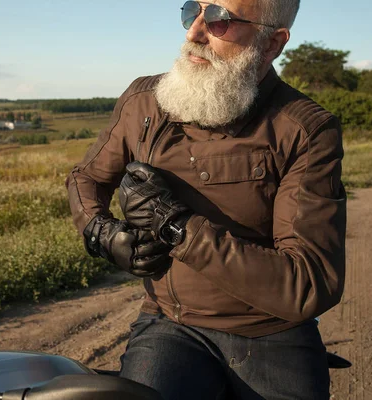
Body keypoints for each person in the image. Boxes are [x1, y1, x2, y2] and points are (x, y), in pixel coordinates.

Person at [65, 0, 346, 398]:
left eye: (220, 20)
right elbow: (86, 177)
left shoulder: (305, 129)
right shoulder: (144, 101)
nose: (193, 33)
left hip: (272, 332)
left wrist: (176, 226)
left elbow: (308, 283)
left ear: (271, 44)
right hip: (171, 324)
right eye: (191, 10)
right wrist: (100, 230)